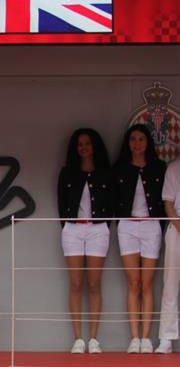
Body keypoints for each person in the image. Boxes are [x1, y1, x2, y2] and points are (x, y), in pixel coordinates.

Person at [57, 128, 114, 354]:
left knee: (93, 284)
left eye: (87, 143)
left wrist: (101, 224)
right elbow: (61, 203)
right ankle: (78, 339)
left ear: (95, 146)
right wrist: (69, 225)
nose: (83, 147)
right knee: (76, 284)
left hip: (98, 229)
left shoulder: (105, 173)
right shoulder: (67, 172)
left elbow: (111, 203)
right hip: (72, 229)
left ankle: (94, 339)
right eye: (80, 144)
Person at [113, 124, 166, 354]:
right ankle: (134, 338)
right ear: (128, 142)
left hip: (151, 226)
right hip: (127, 226)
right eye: (133, 139)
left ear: (148, 143)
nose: (137, 143)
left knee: (147, 283)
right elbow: (113, 198)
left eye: (141, 139)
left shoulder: (158, 168)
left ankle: (147, 338)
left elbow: (165, 200)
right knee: (133, 283)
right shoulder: (120, 169)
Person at [157, 157, 180, 354]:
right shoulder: (174, 168)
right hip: (177, 227)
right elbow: (168, 203)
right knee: (171, 282)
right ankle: (166, 338)